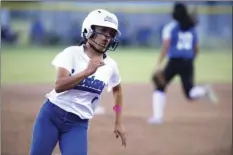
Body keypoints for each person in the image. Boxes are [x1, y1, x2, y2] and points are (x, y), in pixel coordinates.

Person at [29, 9, 126, 155]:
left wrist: (118, 121)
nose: (107, 37)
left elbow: (117, 90)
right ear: (89, 30)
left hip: (77, 124)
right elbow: (59, 86)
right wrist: (87, 72)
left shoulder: (111, 65)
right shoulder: (72, 53)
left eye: (111, 34)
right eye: (103, 31)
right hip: (51, 116)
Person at [148, 2, 218, 125]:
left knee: (160, 86)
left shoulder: (170, 28)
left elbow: (165, 47)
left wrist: (158, 63)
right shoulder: (191, 28)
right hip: (188, 62)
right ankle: (203, 91)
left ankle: (158, 118)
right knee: (189, 93)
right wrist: (191, 60)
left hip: (174, 62)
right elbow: (196, 49)